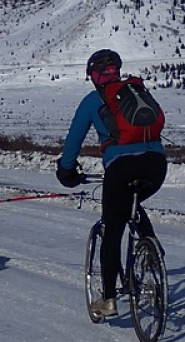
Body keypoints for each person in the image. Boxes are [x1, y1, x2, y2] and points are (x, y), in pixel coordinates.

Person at [56, 49, 167, 318]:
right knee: (133, 204)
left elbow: (72, 145)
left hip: (121, 168)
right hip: (156, 165)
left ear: (94, 76)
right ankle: (152, 249)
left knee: (112, 227)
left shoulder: (93, 101)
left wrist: (67, 172)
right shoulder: (136, 93)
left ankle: (107, 300)